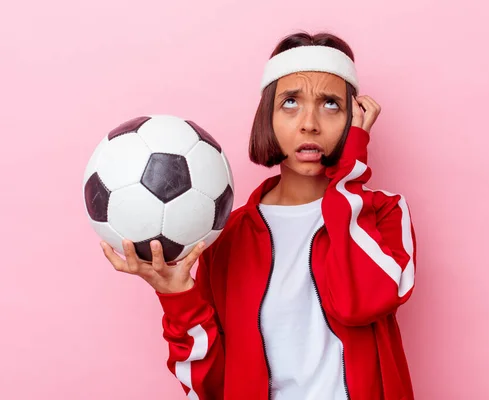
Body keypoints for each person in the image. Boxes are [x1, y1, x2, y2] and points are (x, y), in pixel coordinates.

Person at [101, 31, 417, 400]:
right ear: (267, 115)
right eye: (290, 103)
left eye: (331, 104)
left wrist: (350, 173)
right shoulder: (228, 236)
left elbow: (357, 303)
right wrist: (177, 295)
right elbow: (211, 385)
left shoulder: (383, 214)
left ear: (354, 120)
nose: (310, 123)